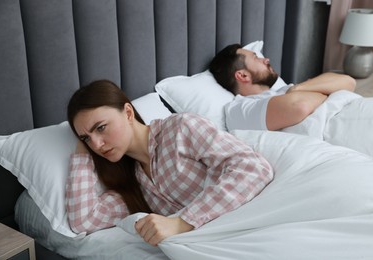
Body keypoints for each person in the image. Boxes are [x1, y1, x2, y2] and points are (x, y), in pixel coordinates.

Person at [65, 79, 274, 246]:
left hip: (256, 227)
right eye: (87, 138)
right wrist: (82, 155)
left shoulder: (180, 129)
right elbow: (83, 220)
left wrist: (181, 222)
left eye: (101, 128)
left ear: (128, 112)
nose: (97, 144)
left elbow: (255, 168)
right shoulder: (132, 185)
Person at [209, 43, 356, 131]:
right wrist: (326, 93)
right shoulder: (240, 109)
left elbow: (349, 82)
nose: (266, 59)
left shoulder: (290, 90)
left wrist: (298, 89)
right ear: (242, 76)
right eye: (256, 58)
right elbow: (299, 106)